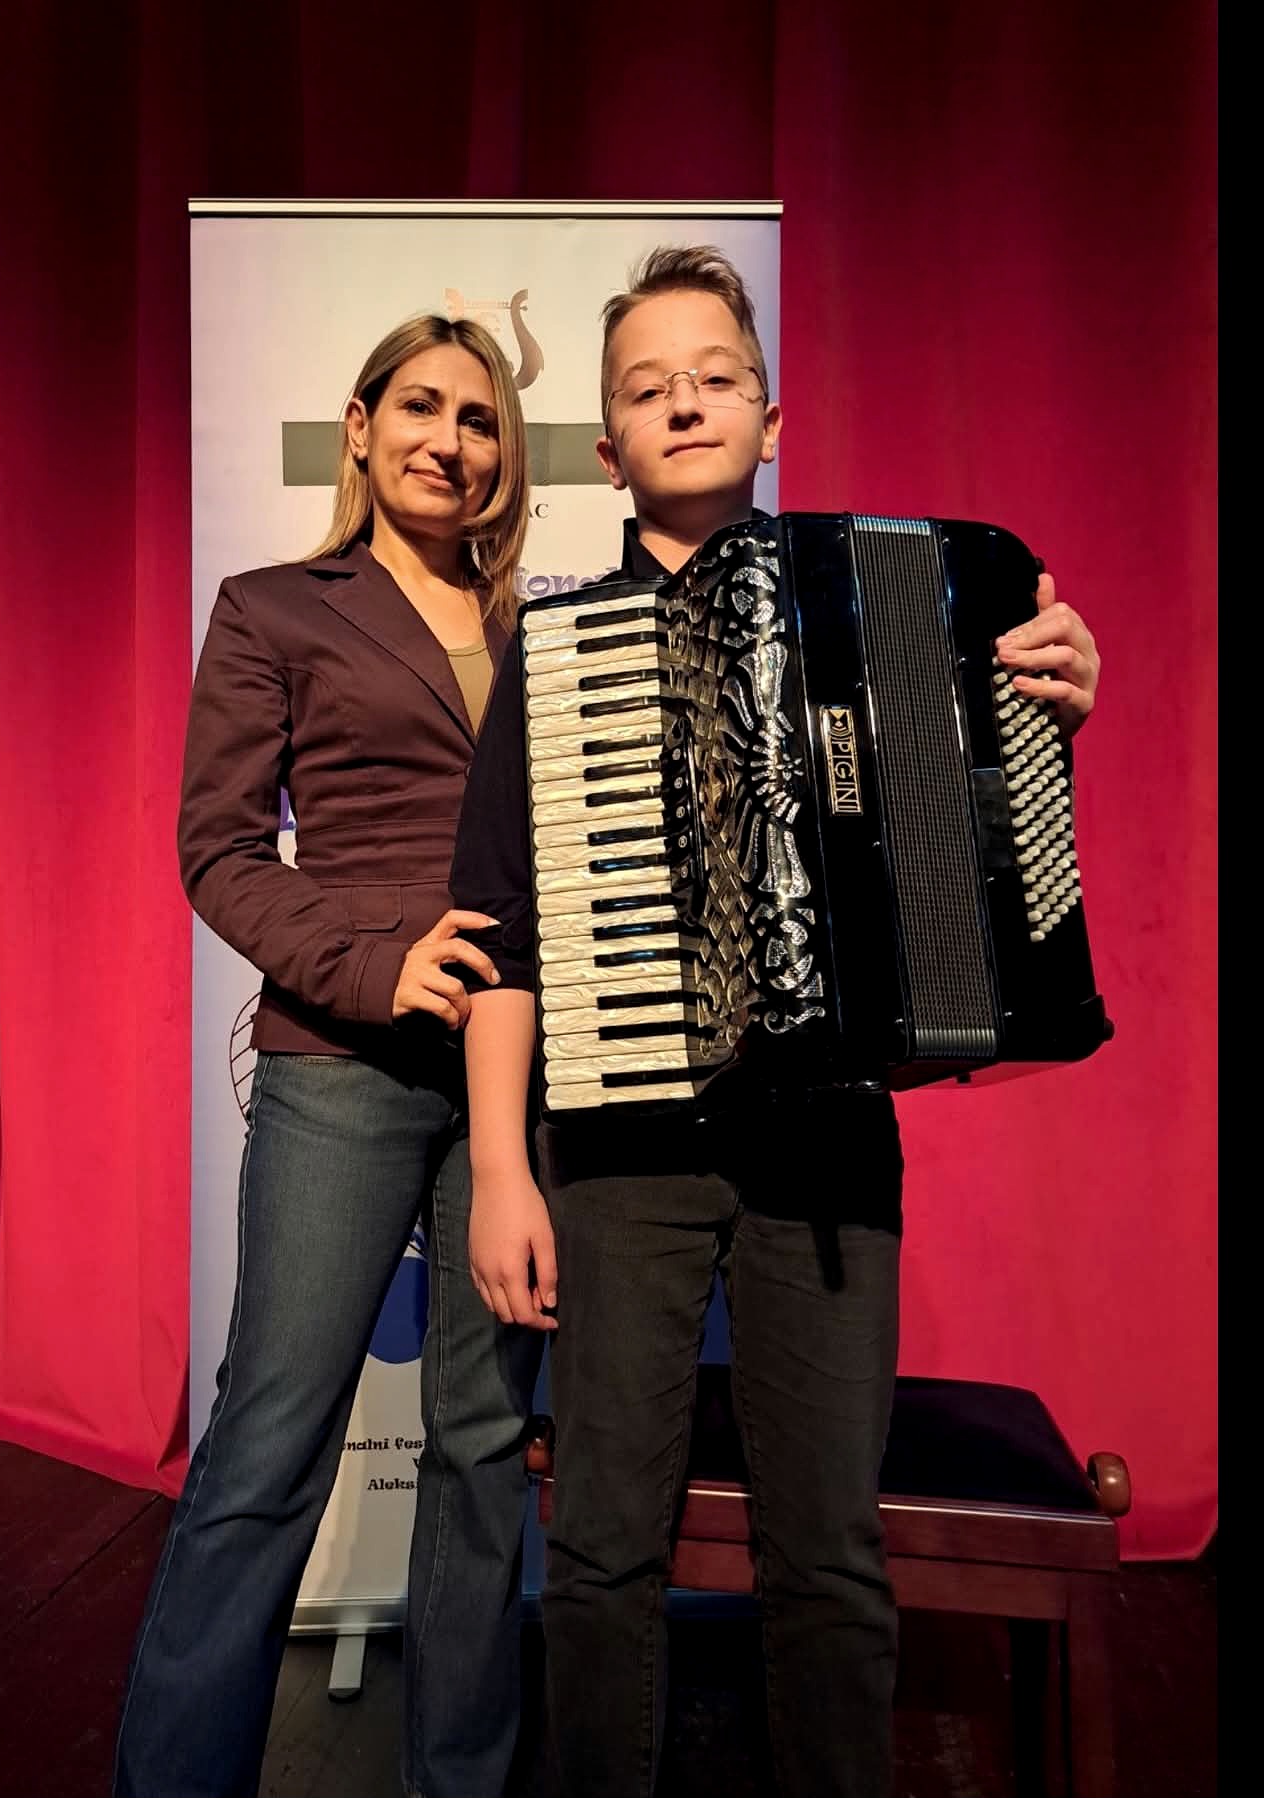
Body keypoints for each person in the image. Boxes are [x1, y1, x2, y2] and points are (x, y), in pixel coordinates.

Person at [453, 245, 1102, 1798]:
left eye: (715, 377)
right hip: (621, 1156)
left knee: (829, 1554)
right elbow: (505, 939)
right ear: (606, 446)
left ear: (771, 414)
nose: (685, 401)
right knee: (600, 1547)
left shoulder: (895, 605)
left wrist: (1043, 707)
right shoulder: (556, 650)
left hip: (824, 1145)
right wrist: (501, 1168)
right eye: (647, 388)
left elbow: (977, 872)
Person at [114, 312, 547, 1798]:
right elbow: (221, 850)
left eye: (479, 419)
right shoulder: (272, 609)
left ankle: (460, 1781)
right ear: (361, 429)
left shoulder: (543, 629)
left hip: (516, 1077)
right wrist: (376, 967)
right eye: (420, 407)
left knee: (484, 1448)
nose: (450, 440)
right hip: (342, 1063)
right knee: (268, 1447)